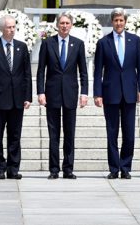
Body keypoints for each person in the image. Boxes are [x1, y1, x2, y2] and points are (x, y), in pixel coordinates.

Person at [93, 7, 140, 179]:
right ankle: (114, 168)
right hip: (110, 93)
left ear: (125, 21)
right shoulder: (103, 42)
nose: (118, 23)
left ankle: (125, 166)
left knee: (129, 133)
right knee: (112, 132)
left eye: (121, 20)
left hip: (130, 92)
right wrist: (97, 93)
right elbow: (98, 70)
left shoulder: (134, 40)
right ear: (112, 22)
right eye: (116, 20)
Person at [37, 12, 88, 179]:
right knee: (53, 134)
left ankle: (68, 168)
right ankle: (54, 169)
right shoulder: (48, 43)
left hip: (70, 94)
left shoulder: (78, 44)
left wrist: (84, 93)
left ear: (71, 25)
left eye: (67, 23)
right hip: (52, 94)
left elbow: (83, 72)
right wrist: (40, 92)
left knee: (69, 133)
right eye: (62, 23)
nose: (64, 26)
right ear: (57, 25)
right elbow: (40, 71)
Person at [0, 15, 32, 180]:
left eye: (13, 27)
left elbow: (27, 74)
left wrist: (28, 97)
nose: (12, 30)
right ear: (2, 29)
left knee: (15, 136)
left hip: (17, 100)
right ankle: (0, 168)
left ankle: (13, 169)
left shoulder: (22, 47)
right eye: (9, 27)